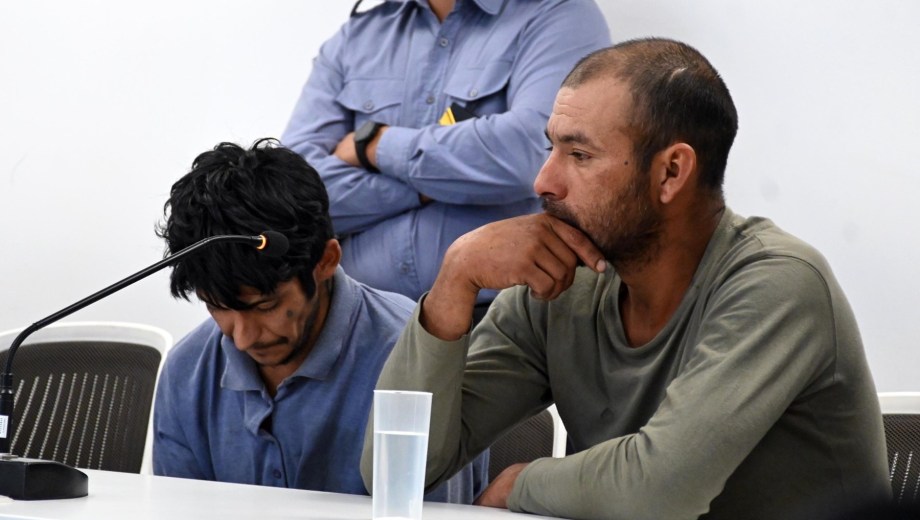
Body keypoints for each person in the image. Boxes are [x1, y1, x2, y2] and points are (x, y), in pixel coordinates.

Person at [360, 38, 891, 520]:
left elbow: (659, 490)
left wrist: (521, 481)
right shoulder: (562, 285)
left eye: (579, 154)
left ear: (671, 173)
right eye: (551, 148)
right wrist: (455, 280)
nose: (543, 180)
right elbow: (395, 470)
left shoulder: (778, 283)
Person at [152, 139, 486, 502]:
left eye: (265, 306)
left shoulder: (417, 363)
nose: (244, 338)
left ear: (326, 261)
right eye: (217, 307)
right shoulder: (186, 373)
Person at [280, 0, 611, 315]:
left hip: (500, 323)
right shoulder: (357, 36)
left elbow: (532, 155)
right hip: (358, 321)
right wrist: (426, 186)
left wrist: (373, 146)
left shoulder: (558, 15)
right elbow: (289, 195)